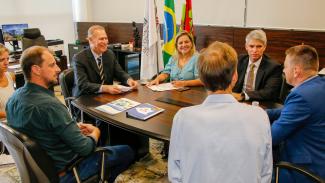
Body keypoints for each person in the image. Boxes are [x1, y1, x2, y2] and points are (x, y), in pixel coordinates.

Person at [6, 46, 135, 183]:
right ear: (36, 70)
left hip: (38, 171)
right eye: (52, 65)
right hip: (68, 171)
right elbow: (85, 149)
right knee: (127, 151)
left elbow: (39, 128)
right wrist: (95, 132)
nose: (58, 69)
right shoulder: (50, 106)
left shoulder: (13, 99)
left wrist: (71, 127)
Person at [168, 41, 272, 183]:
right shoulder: (259, 116)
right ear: (235, 77)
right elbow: (265, 172)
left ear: (202, 79)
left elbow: (175, 173)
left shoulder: (183, 117)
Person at [267, 45, 325, 183]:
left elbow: (272, 137)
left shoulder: (301, 96)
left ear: (296, 71)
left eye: (285, 66)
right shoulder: (319, 86)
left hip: (303, 170)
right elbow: (286, 111)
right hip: (319, 157)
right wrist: (257, 112)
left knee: (254, 172)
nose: (283, 70)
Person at [72, 25, 138, 97]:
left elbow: (120, 73)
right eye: (101, 39)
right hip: (85, 97)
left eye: (106, 38)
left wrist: (129, 80)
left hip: (106, 96)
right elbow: (83, 85)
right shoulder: (79, 58)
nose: (105, 42)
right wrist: (105, 88)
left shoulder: (109, 54)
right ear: (90, 40)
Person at [232, 29, 282, 102]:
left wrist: (243, 96)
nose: (255, 50)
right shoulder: (238, 61)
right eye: (251, 46)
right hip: (237, 101)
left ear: (264, 47)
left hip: (259, 103)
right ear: (246, 47)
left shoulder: (274, 67)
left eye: (259, 46)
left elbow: (269, 93)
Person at [0, 43, 15, 120]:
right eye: (2, 60)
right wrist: (12, 114)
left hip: (12, 121)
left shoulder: (10, 76)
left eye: (7, 59)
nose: (6, 63)